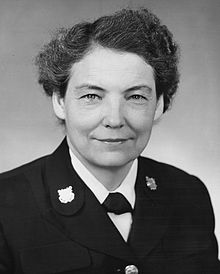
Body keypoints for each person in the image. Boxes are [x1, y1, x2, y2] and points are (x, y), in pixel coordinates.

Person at [0, 8, 219, 274]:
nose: (114, 120)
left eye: (136, 97)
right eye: (92, 96)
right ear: (59, 101)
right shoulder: (6, 204)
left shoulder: (188, 194)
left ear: (159, 104)